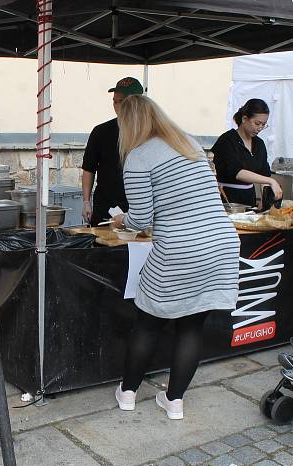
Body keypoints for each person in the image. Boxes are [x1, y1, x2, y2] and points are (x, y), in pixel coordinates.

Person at [112, 95, 240, 419]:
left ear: (128, 124)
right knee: (191, 327)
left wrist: (121, 220)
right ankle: (175, 402)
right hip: (221, 244)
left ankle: (127, 393)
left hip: (180, 248)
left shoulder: (138, 157)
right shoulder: (189, 144)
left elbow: (140, 220)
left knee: (148, 323)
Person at [81, 77, 143, 226]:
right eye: (114, 101)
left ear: (137, 103)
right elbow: (88, 169)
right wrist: (86, 201)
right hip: (105, 208)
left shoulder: (147, 133)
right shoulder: (101, 131)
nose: (117, 106)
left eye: (121, 102)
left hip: (137, 208)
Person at [210, 98, 282, 207]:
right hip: (227, 199)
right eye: (257, 123)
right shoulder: (227, 140)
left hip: (249, 198)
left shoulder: (259, 144)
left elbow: (264, 174)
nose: (260, 128)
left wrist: (266, 202)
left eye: (264, 125)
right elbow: (237, 172)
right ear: (244, 119)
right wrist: (271, 181)